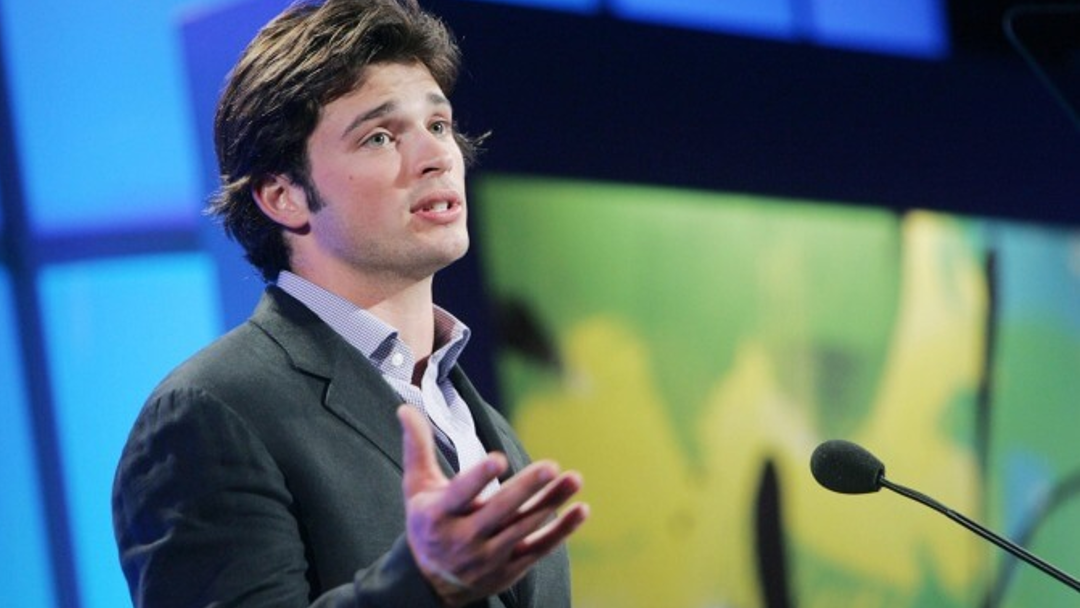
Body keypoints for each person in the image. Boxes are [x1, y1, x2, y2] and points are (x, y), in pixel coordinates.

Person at [110, 0, 589, 606]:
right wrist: (424, 583)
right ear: (284, 197)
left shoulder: (481, 424)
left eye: (438, 126)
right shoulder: (209, 414)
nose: (438, 156)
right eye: (381, 136)